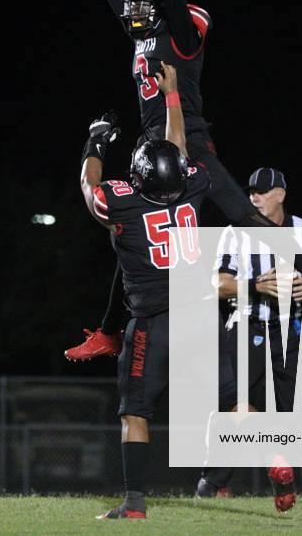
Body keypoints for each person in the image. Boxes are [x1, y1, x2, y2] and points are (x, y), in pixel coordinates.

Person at [66, 0, 273, 362]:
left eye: (143, 6)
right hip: (152, 151)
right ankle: (110, 330)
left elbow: (174, 0)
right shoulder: (142, 29)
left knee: (243, 215)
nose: (132, 13)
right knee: (129, 232)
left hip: (190, 146)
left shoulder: (178, 35)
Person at [81, 63, 211, 520]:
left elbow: (89, 187)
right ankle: (279, 463)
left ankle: (134, 503)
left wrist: (95, 141)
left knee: (135, 413)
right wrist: (173, 95)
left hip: (154, 320)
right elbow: (178, 151)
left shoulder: (122, 202)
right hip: (202, 314)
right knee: (232, 400)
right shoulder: (194, 185)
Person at [197, 168, 302, 505]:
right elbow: (218, 284)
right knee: (235, 407)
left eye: (262, 190)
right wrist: (256, 286)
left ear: (281, 195)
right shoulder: (236, 232)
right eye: (251, 191)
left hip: (294, 331)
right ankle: (213, 482)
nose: (254, 196)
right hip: (248, 328)